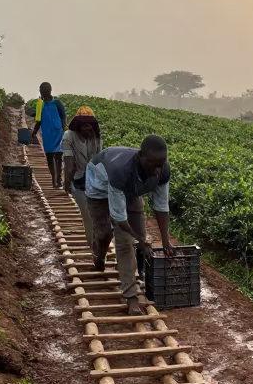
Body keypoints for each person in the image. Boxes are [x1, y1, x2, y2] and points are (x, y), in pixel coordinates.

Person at [85, 136, 176, 315]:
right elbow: (120, 220)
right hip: (100, 187)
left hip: (130, 191)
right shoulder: (121, 170)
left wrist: (165, 240)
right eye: (154, 165)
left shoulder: (162, 170)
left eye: (161, 164)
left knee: (132, 239)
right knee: (108, 235)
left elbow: (161, 206)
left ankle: (132, 290)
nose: (158, 170)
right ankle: (100, 256)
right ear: (141, 157)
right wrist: (141, 240)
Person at [62, 106, 101, 250]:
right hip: (94, 181)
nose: (86, 128)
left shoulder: (68, 136)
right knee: (96, 216)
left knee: (88, 218)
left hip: (80, 181)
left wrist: (66, 183)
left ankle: (94, 247)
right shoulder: (96, 134)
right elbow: (99, 160)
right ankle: (96, 247)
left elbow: (69, 164)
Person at [31, 83, 67, 188]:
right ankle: (55, 180)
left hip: (55, 132)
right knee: (52, 157)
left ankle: (57, 180)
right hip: (49, 133)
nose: (43, 92)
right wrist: (34, 132)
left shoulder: (56, 102)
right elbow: (38, 120)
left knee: (56, 157)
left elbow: (63, 116)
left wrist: (63, 127)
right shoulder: (41, 104)